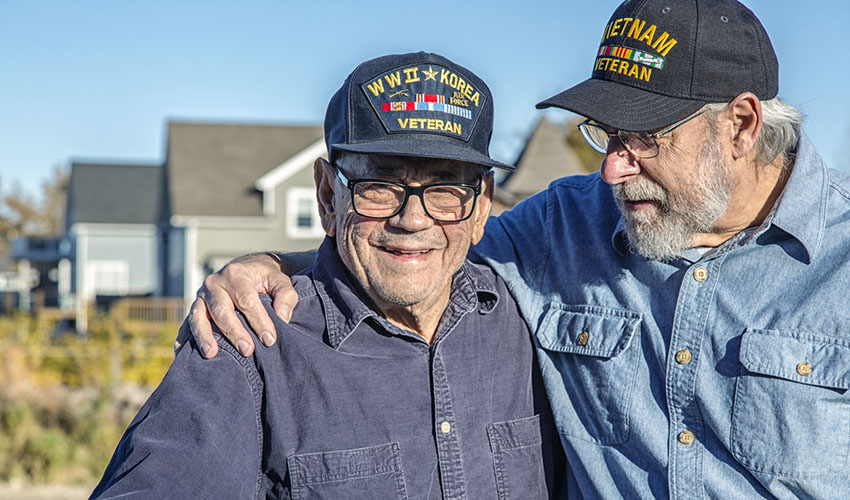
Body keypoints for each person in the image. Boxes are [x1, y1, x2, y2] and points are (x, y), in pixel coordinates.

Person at [185, 1, 850, 498]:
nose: (613, 169)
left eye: (645, 138)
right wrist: (272, 265)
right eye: (605, 135)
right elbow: (420, 246)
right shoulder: (563, 224)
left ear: (740, 124)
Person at [91, 52, 566, 499]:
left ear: (482, 203)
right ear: (326, 196)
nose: (413, 219)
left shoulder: (537, 324)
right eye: (379, 185)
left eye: (445, 189)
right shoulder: (248, 347)